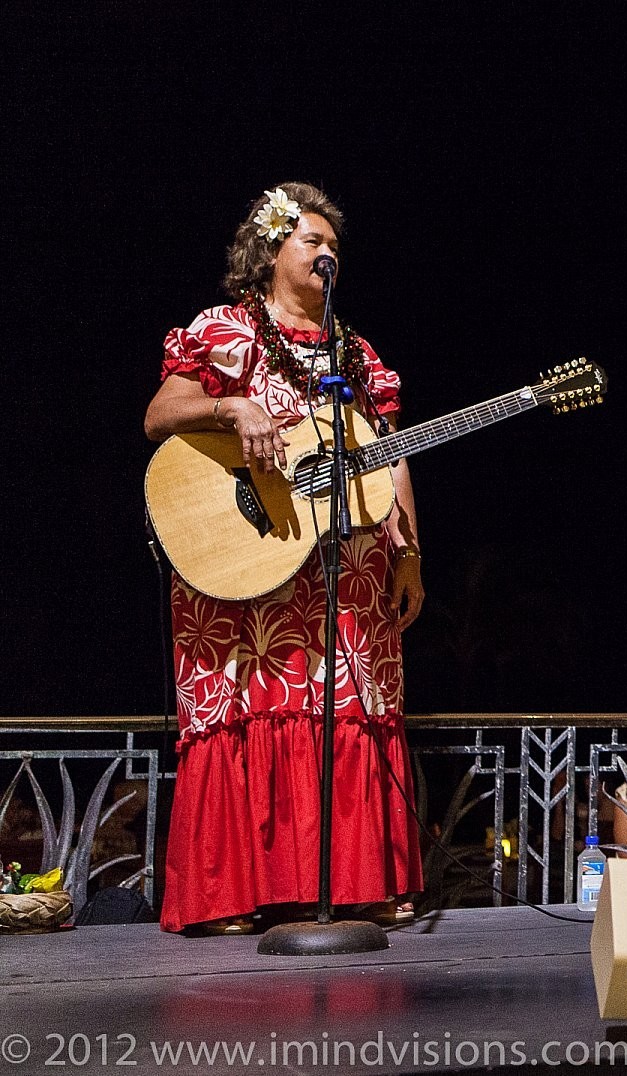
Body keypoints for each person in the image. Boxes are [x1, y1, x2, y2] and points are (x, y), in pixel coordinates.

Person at [145, 183, 424, 934]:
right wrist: (233, 406)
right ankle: (229, 894)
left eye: (335, 244)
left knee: (344, 707)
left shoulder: (355, 355)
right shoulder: (225, 332)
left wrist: (411, 554)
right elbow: (159, 416)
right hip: (242, 566)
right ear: (270, 252)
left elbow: (391, 457)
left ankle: (352, 885)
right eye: (311, 240)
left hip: (346, 576)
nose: (327, 252)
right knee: (244, 708)